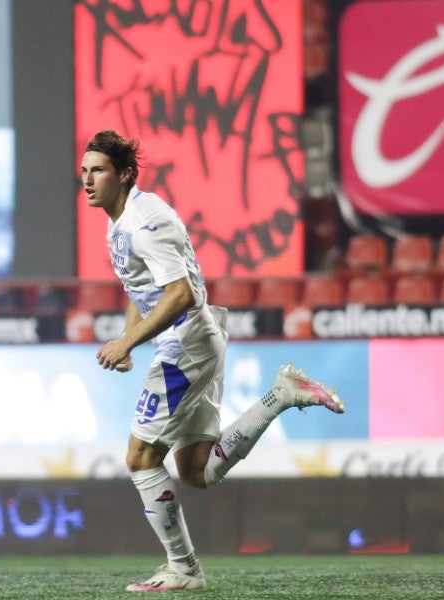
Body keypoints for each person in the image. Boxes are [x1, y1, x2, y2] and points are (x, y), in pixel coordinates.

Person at [82, 130, 345, 592]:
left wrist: (126, 344)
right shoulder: (121, 217)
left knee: (141, 457)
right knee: (196, 470)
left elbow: (179, 294)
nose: (86, 180)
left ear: (124, 174)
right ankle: (281, 396)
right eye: (84, 171)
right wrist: (128, 337)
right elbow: (142, 287)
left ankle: (183, 569)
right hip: (194, 340)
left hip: (185, 344)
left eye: (97, 170)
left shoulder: (144, 221)